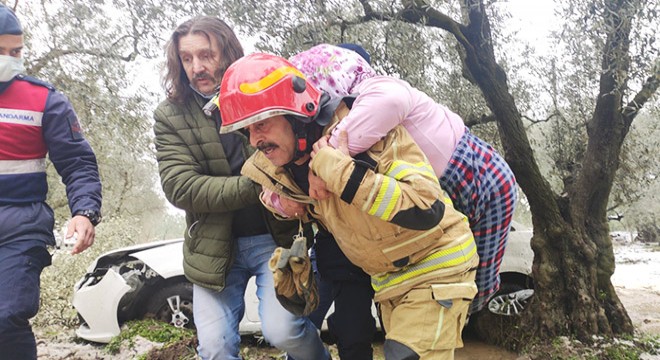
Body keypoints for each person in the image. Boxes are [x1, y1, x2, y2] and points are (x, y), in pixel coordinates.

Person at [219, 53, 479, 360]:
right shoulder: (292, 170)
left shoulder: (370, 136)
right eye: (248, 130)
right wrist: (287, 209)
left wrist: (336, 168)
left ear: (296, 116)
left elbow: (425, 207)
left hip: (436, 268)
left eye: (261, 124)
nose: (254, 139)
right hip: (389, 282)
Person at [290, 43, 518, 314]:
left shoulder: (375, 89)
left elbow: (392, 102)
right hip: (440, 195)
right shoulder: (340, 122)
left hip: (485, 181)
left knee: (475, 290)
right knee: (443, 291)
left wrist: (325, 159)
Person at [152, 16, 328, 360]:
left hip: (274, 238)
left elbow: (292, 151)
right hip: (213, 248)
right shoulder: (169, 116)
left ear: (228, 52)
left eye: (206, 55)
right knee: (215, 347)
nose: (196, 67)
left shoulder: (260, 91)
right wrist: (263, 181)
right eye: (186, 59)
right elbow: (180, 187)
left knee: (285, 330)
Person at [0, 5, 103, 359]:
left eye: (16, 52)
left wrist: (85, 212)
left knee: (6, 316)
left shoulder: (45, 99)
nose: (9, 59)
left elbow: (77, 163)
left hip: (21, 227)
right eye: (1, 51)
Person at [296, 43, 377, 360]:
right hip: (326, 251)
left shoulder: (370, 117)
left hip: (357, 258)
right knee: (298, 329)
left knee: (353, 334)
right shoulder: (310, 120)